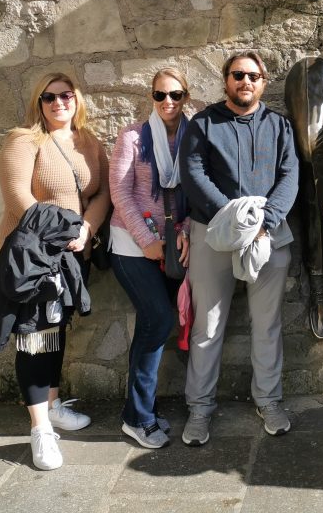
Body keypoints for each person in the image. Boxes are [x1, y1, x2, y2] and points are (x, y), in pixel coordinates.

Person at [179, 51, 299, 446]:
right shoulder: (203, 125)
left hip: (268, 234)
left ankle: (269, 400)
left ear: (263, 81)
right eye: (237, 75)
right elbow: (193, 174)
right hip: (213, 234)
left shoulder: (279, 125)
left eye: (252, 75)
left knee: (267, 325)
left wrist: (264, 222)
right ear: (226, 80)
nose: (244, 81)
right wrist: (232, 219)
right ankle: (200, 409)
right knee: (208, 326)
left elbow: (290, 175)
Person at [0, 72, 110, 471]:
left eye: (66, 95)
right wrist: (65, 231)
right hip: (33, 259)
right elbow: (18, 199)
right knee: (33, 338)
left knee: (57, 330)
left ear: (77, 99)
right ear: (38, 103)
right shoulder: (23, 140)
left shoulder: (89, 143)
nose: (58, 103)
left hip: (72, 257)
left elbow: (102, 193)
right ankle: (40, 429)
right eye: (49, 97)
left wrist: (87, 228)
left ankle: (54, 405)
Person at [108, 67, 192, 449]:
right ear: (151, 98)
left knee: (157, 323)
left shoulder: (194, 137)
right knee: (157, 317)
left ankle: (143, 408)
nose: (168, 103)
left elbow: (197, 191)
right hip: (131, 245)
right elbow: (120, 192)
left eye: (175, 95)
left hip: (174, 246)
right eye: (160, 96)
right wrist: (146, 240)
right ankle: (137, 417)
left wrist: (186, 232)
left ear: (185, 97)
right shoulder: (133, 137)